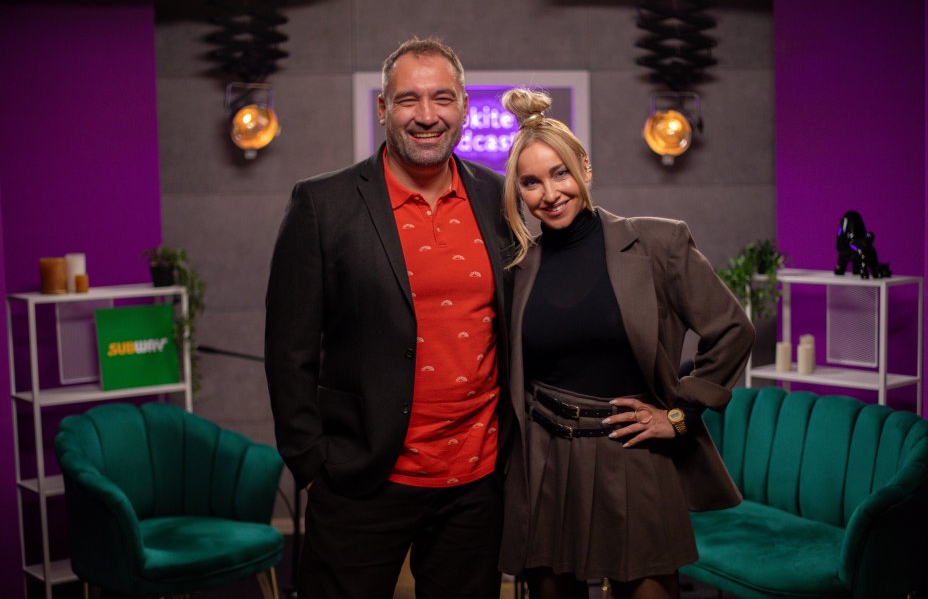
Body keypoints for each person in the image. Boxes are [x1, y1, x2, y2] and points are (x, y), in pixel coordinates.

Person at [264, 37, 514, 599]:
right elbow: (288, 350)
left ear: (464, 106)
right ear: (383, 108)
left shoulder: (498, 197)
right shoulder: (322, 204)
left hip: (476, 481)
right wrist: (312, 465)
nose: (426, 115)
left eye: (442, 98)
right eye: (408, 99)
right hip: (362, 478)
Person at [497, 88, 755, 599]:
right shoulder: (517, 269)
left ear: (585, 169)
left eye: (560, 173)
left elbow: (732, 329)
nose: (549, 193)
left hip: (634, 453)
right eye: (531, 182)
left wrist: (679, 414)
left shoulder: (658, 243)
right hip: (547, 461)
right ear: (519, 192)